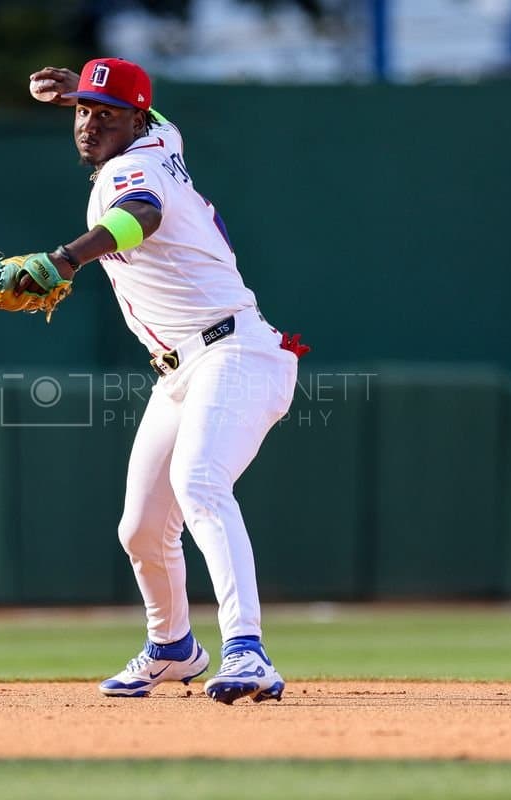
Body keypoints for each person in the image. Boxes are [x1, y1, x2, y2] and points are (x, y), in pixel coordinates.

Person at [24, 58, 308, 705]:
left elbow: (141, 216)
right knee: (143, 529)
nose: (89, 124)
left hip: (235, 355)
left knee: (200, 482)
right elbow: (147, 115)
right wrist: (81, 90)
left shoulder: (136, 169)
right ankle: (174, 648)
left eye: (105, 114)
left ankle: (247, 651)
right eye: (83, 114)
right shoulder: (161, 136)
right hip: (185, 367)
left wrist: (65, 259)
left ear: (132, 121)